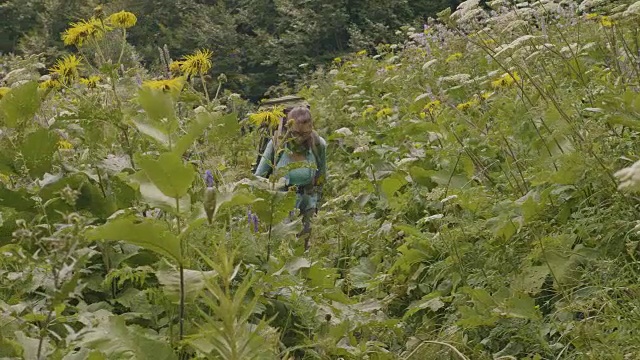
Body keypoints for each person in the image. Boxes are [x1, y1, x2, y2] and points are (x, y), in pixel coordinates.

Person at [254, 106, 327, 250]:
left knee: (303, 245)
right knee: (284, 244)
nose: (299, 138)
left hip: (307, 200)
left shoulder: (318, 145)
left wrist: (317, 201)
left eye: (304, 134)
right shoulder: (277, 144)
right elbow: (259, 176)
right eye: (295, 133)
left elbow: (321, 175)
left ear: (311, 129)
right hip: (282, 201)